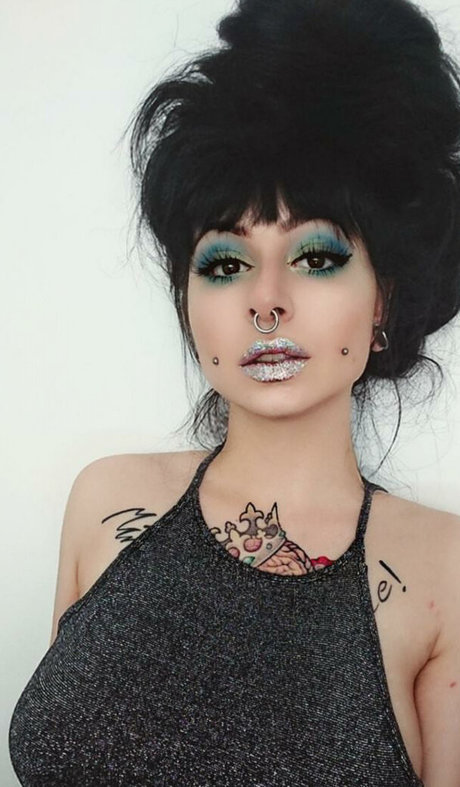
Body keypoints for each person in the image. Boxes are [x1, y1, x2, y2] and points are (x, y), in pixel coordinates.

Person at [8, 0, 460, 784]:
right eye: (225, 263)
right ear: (189, 300)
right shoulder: (105, 502)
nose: (267, 301)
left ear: (384, 298)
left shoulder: (444, 571)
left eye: (316, 256)